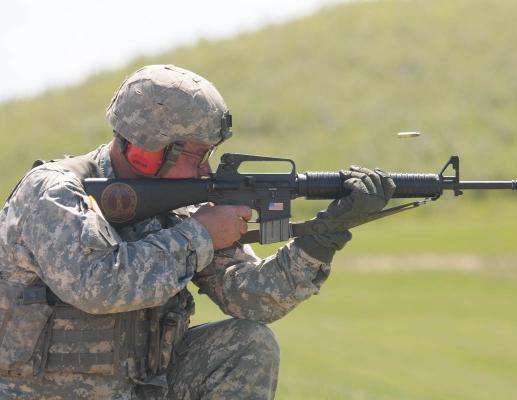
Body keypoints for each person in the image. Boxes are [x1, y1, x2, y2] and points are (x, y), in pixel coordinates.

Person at [0, 64, 395, 399]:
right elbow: (96, 285)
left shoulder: (180, 206)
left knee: (247, 346)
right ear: (149, 150)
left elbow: (253, 301)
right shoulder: (53, 192)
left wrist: (321, 238)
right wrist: (201, 236)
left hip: (137, 387)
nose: (207, 169)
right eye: (198, 154)